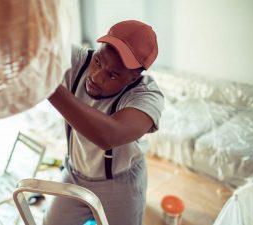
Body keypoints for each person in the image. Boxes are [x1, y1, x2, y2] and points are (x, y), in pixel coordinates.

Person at [44, 20, 164, 225]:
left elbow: (108, 136)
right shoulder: (79, 60)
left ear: (134, 77)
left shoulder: (146, 96)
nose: (97, 77)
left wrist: (46, 83)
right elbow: (40, 49)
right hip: (74, 174)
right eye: (98, 61)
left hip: (119, 184)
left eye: (113, 74)